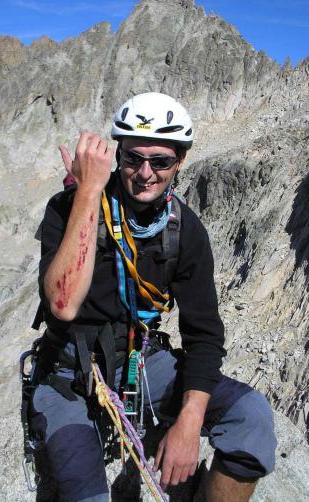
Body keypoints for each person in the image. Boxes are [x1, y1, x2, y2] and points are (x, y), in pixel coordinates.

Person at [29, 92, 276, 502]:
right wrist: (89, 192)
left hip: (138, 360)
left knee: (251, 418)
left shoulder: (183, 230)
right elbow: (63, 303)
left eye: (160, 161)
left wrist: (188, 422)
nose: (145, 173)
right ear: (116, 157)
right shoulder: (68, 208)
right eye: (132, 158)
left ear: (179, 163)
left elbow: (204, 334)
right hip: (66, 372)